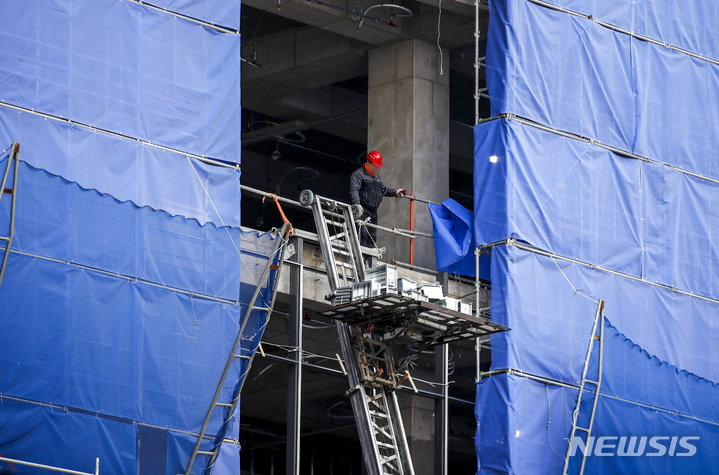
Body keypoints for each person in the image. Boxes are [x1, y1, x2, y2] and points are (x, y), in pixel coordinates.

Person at [349, 150, 407, 248]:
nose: (377, 168)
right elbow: (354, 190)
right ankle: (361, 260)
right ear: (368, 163)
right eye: (375, 166)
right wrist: (357, 205)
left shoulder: (377, 177)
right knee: (362, 236)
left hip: (373, 212)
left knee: (373, 237)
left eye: (378, 166)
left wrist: (396, 192)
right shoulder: (358, 174)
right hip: (363, 211)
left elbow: (383, 190)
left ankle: (370, 261)